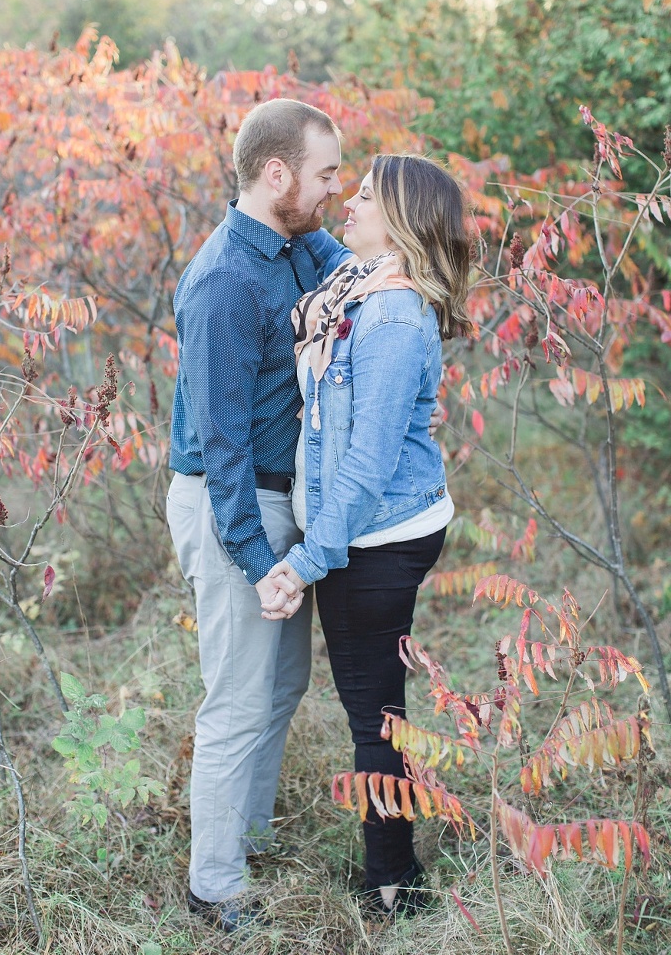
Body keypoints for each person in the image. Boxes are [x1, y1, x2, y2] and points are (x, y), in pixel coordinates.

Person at [262, 153, 473, 917]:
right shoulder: (361, 286)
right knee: (380, 706)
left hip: (375, 535)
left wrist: (309, 559)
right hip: (381, 527)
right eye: (343, 189)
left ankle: (393, 885)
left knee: (373, 718)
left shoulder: (387, 314)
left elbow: (366, 463)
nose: (346, 203)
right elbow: (323, 243)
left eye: (363, 196)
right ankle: (397, 864)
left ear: (402, 221)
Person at [165, 98, 349, 932]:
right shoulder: (222, 285)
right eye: (325, 175)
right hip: (231, 501)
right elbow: (223, 446)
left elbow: (350, 273)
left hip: (281, 499)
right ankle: (215, 886)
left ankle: (247, 835)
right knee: (237, 696)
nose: (336, 190)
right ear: (276, 175)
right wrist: (255, 561)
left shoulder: (295, 244)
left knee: (283, 682)